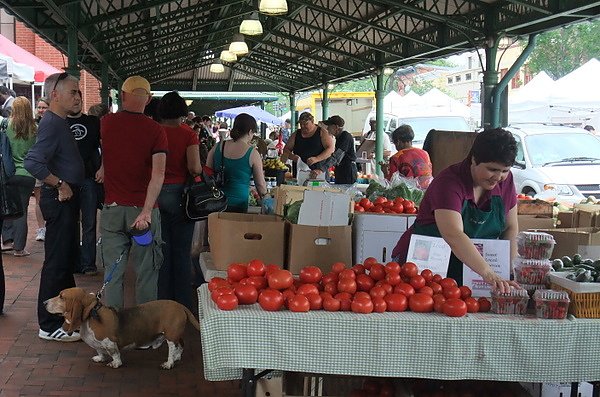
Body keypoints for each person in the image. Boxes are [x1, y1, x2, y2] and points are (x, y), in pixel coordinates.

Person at [391, 128, 521, 293]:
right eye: (492, 169)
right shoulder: (449, 182)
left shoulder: (506, 181)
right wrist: (489, 273)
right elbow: (453, 234)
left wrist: (509, 269)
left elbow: (511, 228)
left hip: (470, 266)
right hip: (425, 263)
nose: (498, 177)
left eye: (505, 171)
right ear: (473, 160)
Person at [24, 72, 85, 342]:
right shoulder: (51, 123)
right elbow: (32, 162)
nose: (78, 97)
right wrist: (60, 183)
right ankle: (48, 325)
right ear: (55, 95)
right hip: (58, 199)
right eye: (73, 92)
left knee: (64, 261)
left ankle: (69, 317)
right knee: (57, 263)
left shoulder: (58, 122)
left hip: (67, 201)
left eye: (78, 91)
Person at [100, 75, 168, 309]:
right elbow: (158, 174)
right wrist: (147, 211)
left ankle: (113, 329)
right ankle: (146, 333)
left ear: (124, 96)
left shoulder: (106, 123)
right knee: (146, 270)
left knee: (114, 270)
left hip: (113, 211)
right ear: (148, 100)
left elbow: (107, 155)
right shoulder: (156, 130)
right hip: (143, 215)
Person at [156, 91, 201, 311]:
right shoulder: (188, 134)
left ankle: (162, 303)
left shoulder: (152, 132)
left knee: (161, 251)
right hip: (181, 197)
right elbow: (194, 167)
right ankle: (182, 305)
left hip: (155, 195)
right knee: (182, 252)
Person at [67, 91, 102, 275]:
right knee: (71, 222)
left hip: (88, 179)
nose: (76, 101)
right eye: (72, 98)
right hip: (67, 181)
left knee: (89, 224)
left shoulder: (93, 122)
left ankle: (88, 263)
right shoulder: (60, 122)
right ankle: (73, 262)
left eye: (78, 98)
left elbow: (105, 145)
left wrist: (103, 168)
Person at [206, 113, 268, 213]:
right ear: (250, 132)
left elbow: (207, 172)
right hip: (238, 205)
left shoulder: (217, 147)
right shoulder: (252, 153)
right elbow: (260, 185)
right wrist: (267, 199)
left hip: (215, 202)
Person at [2, 97, 37, 257]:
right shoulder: (34, 128)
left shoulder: (7, 126)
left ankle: (7, 240)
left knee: (7, 207)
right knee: (22, 211)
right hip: (29, 174)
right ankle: (19, 248)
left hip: (9, 173)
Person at [318, 115, 357, 184]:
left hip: (347, 171)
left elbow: (337, 157)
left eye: (329, 126)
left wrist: (322, 169)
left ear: (336, 127)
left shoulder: (345, 136)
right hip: (341, 169)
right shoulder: (339, 137)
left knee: (345, 192)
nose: (327, 129)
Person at [33, 98, 50, 242]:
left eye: (44, 107)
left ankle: (50, 226)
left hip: (50, 166)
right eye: (39, 107)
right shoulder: (34, 125)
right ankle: (41, 229)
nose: (41, 110)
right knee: (38, 200)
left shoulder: (52, 124)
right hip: (39, 165)